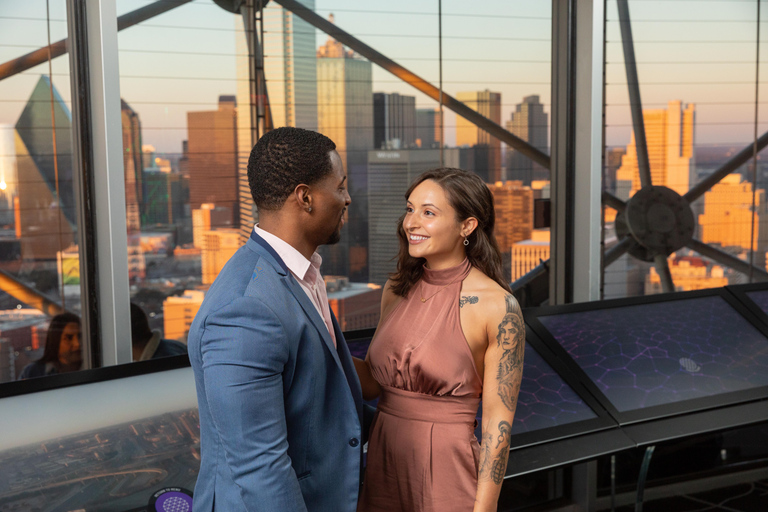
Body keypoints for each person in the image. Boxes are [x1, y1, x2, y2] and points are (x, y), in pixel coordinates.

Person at [187, 127, 363, 512]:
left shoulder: (302, 275)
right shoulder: (246, 308)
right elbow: (259, 467)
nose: (347, 198)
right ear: (305, 197)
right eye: (340, 186)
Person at [355, 168, 525, 512]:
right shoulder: (395, 288)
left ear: (467, 226)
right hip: (383, 457)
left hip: (446, 465)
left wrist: (485, 509)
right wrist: (319, 338)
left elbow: (497, 423)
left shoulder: (497, 306)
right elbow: (374, 384)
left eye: (428, 213)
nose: (411, 222)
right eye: (410, 209)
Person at [19, 312, 82, 379]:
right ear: (55, 341)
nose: (77, 344)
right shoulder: (32, 373)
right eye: (68, 338)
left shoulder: (91, 366)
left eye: (80, 336)